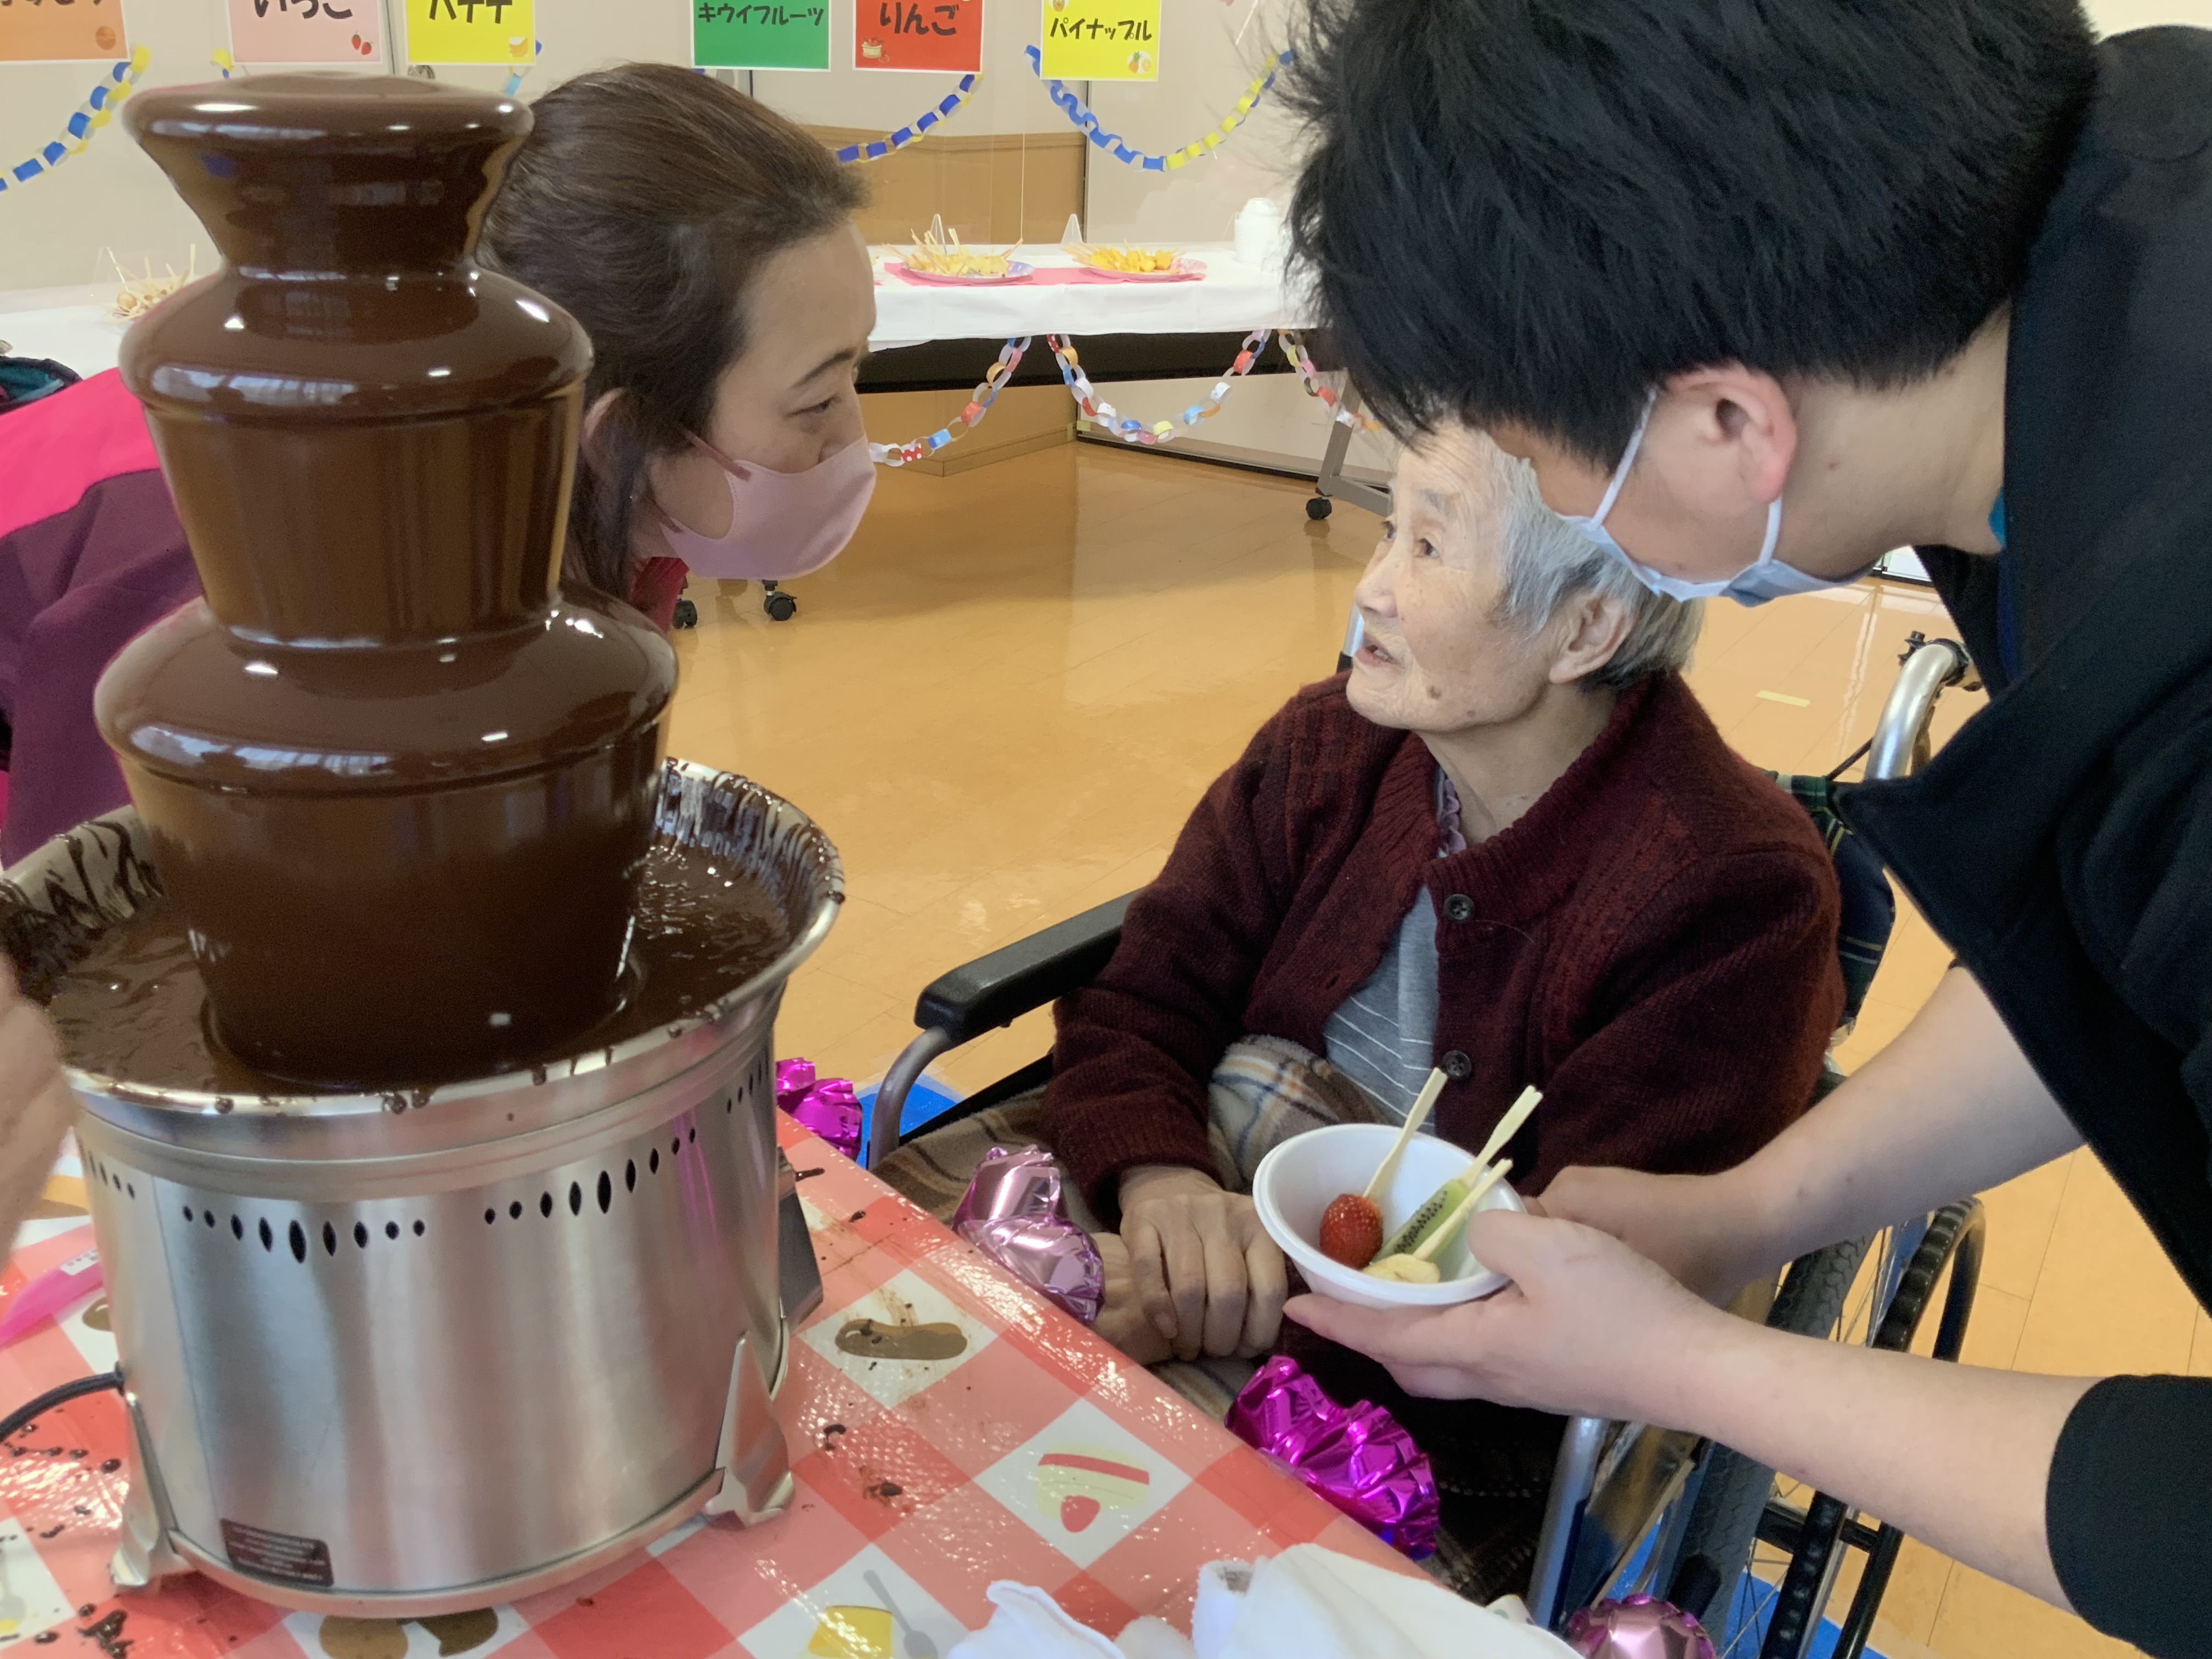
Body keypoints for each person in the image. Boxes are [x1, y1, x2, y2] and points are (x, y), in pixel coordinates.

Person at [1276, 3, 2212, 1652]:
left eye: (1545, 470)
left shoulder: (2181, 683)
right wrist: (1748, 1213)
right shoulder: (2112, 223)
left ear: (1725, 423)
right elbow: (2111, 938)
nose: (1569, 519)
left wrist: (1685, 1364)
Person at [1037, 423, 1843, 1598]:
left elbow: (1575, 1307)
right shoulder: (1331, 744)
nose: (1369, 588)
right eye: (1383, 525)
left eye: (1426, 545)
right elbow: (1140, 998)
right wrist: (1160, 1183)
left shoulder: (1732, 896)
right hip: (1195, 1237)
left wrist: (1229, 1311)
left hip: (1429, 1420)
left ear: (1585, 630)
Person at [0, 64, 874, 868]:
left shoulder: (589, 501)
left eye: (856, 374)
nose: (854, 439)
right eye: (817, 403)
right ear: (621, 436)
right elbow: (118, 924)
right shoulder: (255, 580)